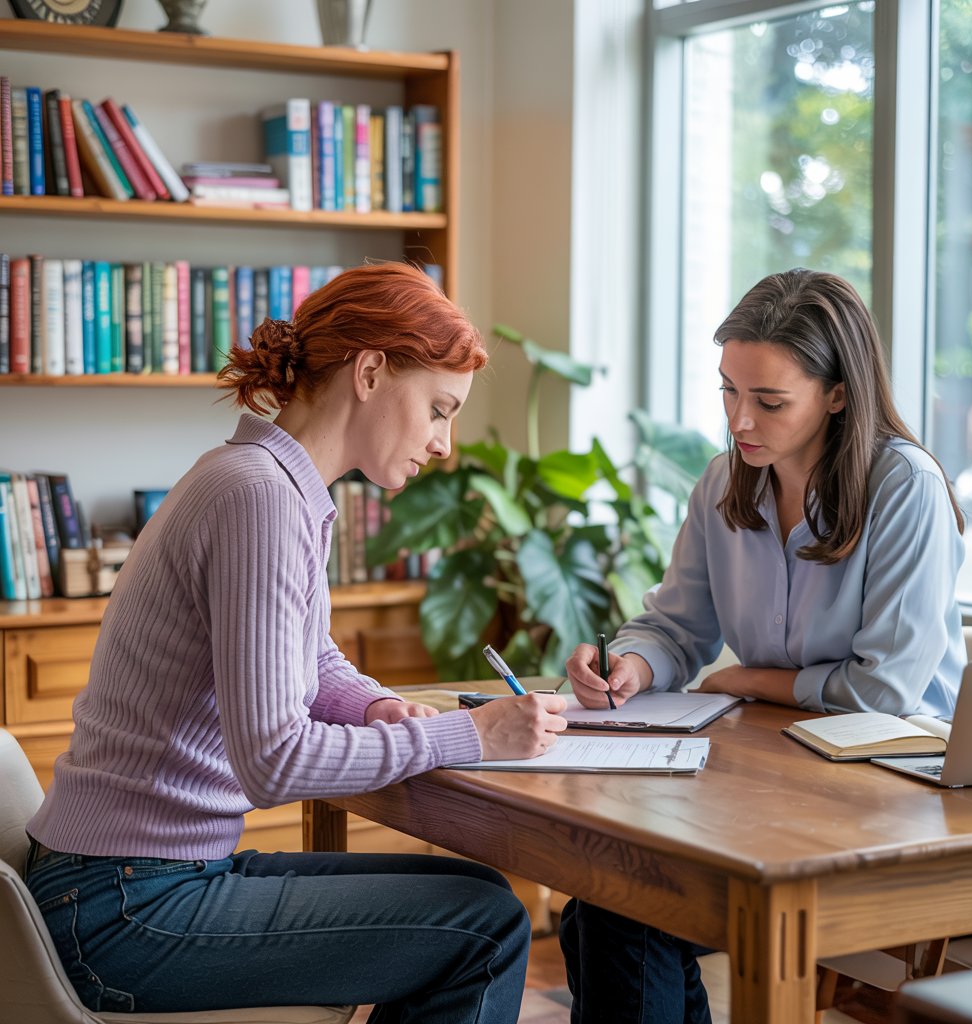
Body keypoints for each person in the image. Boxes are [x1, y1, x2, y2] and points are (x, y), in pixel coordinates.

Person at [24, 261, 568, 1022]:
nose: (445, 443)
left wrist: (375, 705)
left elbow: (307, 658)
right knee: (484, 930)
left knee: (478, 895)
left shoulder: (267, 483)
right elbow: (276, 758)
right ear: (372, 372)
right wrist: (468, 735)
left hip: (122, 882)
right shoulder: (259, 498)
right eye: (440, 409)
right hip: (124, 907)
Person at [559, 268, 966, 1024]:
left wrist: (747, 677)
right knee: (606, 894)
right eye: (728, 391)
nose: (740, 420)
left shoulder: (905, 485)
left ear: (838, 394)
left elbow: (886, 693)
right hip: (774, 772)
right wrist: (631, 664)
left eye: (769, 401)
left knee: (625, 909)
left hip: (897, 794)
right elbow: (676, 626)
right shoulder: (723, 484)